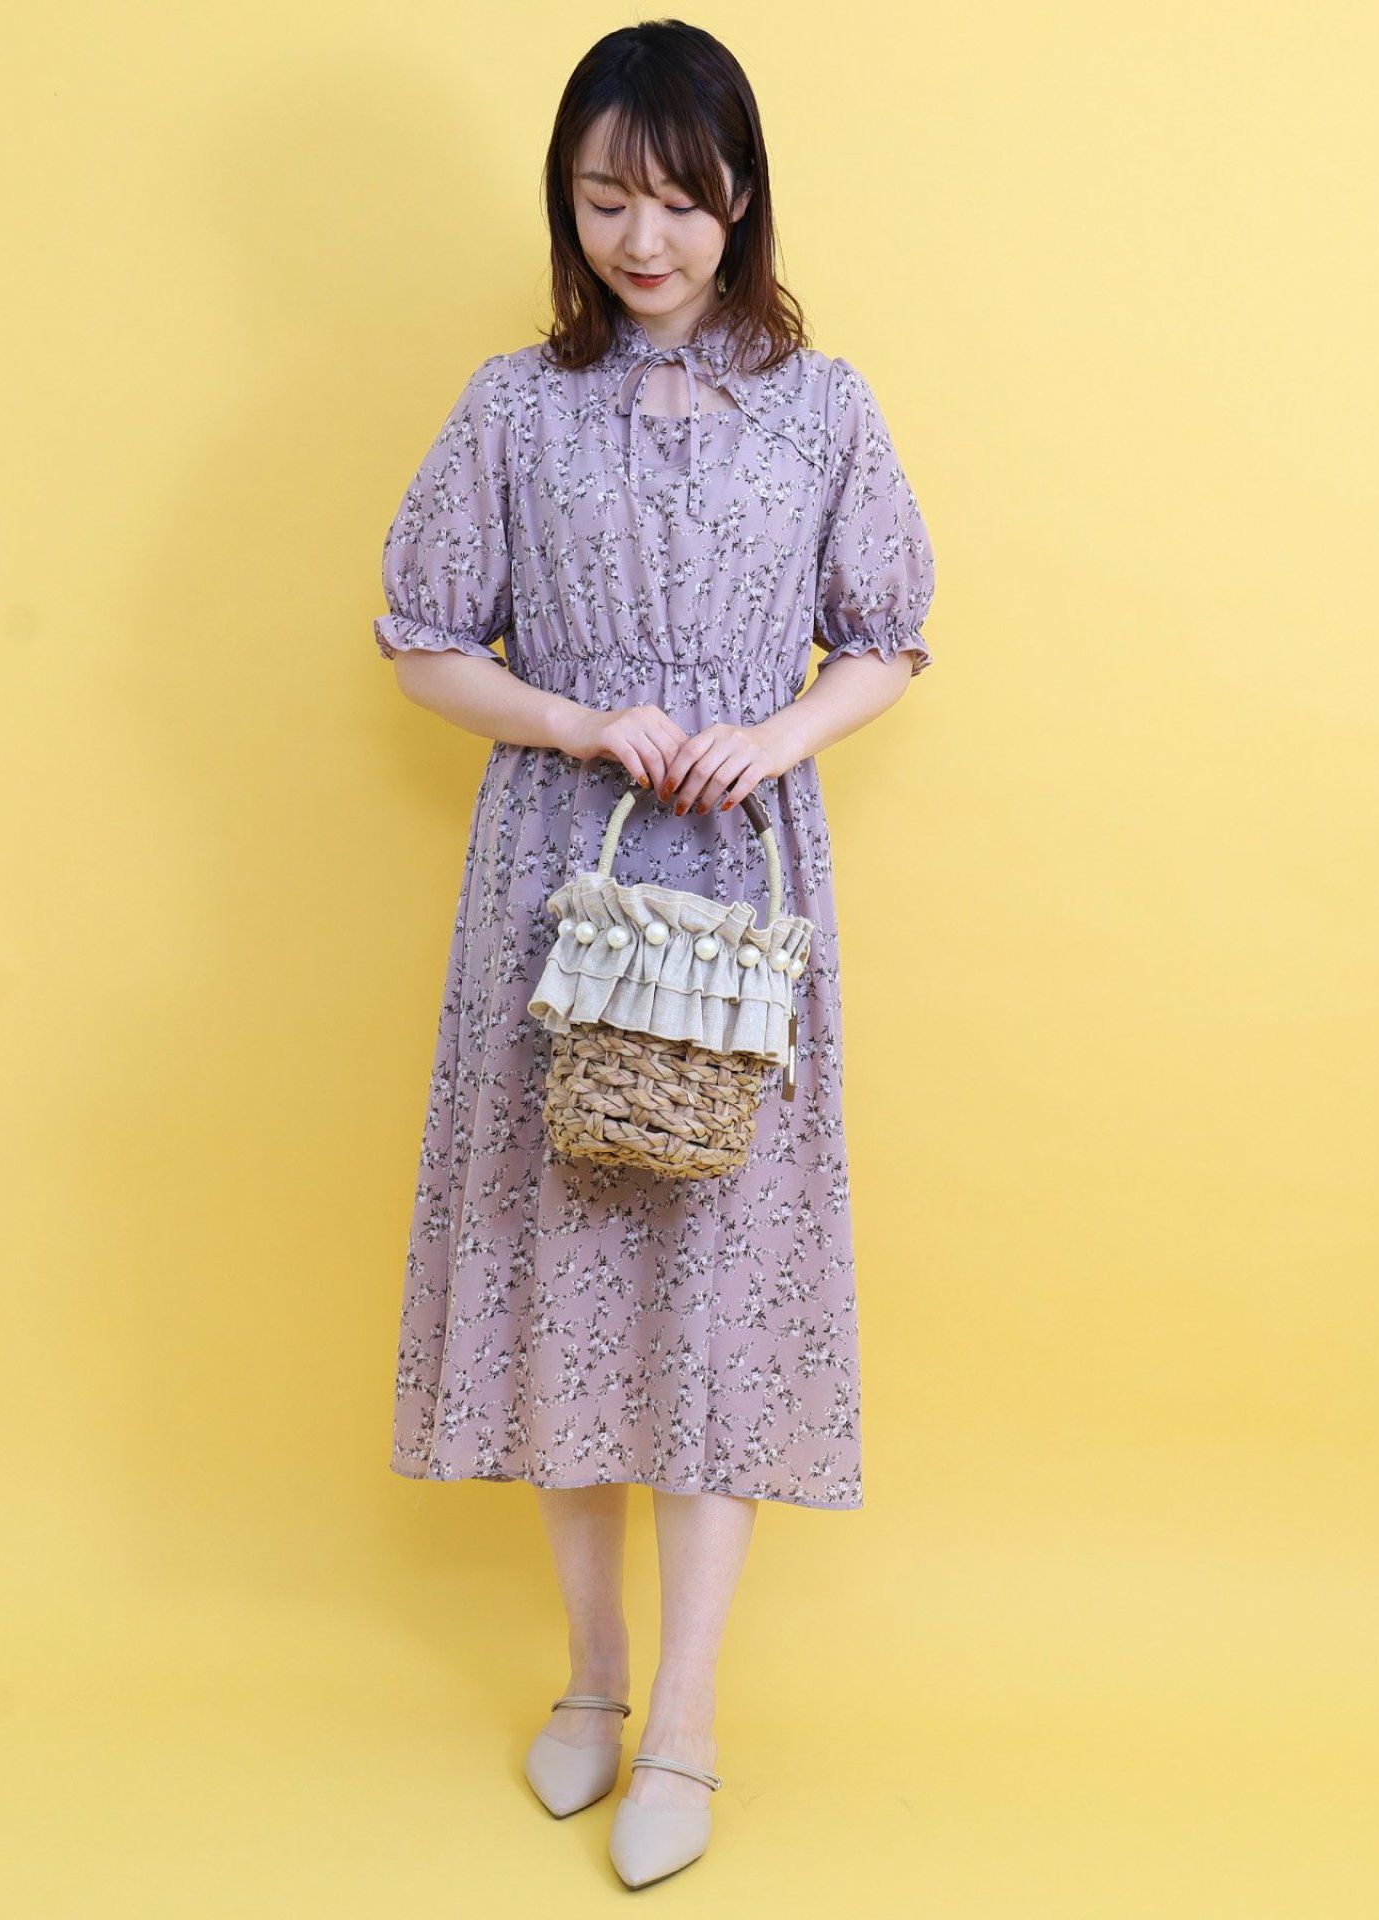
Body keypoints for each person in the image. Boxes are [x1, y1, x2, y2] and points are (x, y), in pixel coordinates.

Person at [371, 20, 935, 1890]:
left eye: (678, 200)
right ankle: (594, 1678)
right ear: (568, 203)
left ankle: (687, 1715)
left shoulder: (826, 407)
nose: (641, 239)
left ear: (740, 199)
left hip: (744, 883)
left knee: (721, 1287)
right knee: (566, 1269)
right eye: (605, 198)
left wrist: (774, 736)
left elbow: (886, 639)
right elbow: (422, 640)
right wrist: (576, 719)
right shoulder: (510, 408)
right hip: (563, 874)